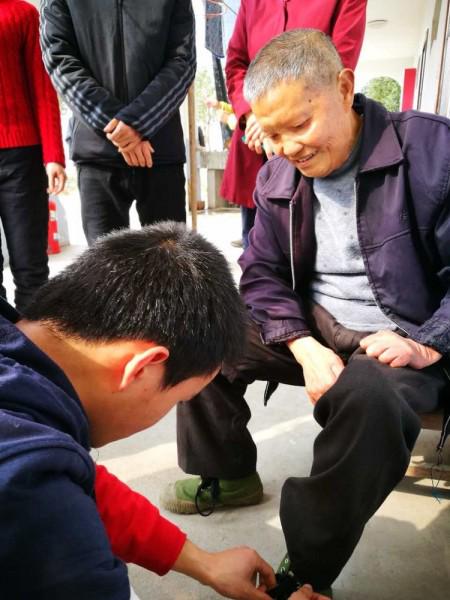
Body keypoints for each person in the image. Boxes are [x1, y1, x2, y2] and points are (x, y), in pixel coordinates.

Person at [162, 29, 450, 593]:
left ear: (344, 88)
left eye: (300, 125)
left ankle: (309, 569)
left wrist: (428, 341)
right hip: (317, 324)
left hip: (410, 332)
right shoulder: (276, 175)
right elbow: (262, 274)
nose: (289, 147)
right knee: (203, 331)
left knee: (369, 396)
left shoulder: (433, 153)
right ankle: (229, 473)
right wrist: (301, 342)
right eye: (271, 134)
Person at [0, 221, 285, 599]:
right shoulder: (25, 487)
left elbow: (76, 480)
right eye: (180, 398)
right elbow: (45, 492)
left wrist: (204, 563)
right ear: (142, 369)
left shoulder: (33, 446)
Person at [40, 0, 195, 245]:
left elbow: (182, 60)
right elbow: (59, 59)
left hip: (159, 151)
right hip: (97, 155)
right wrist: (119, 127)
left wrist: (138, 123)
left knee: (171, 268)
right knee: (104, 275)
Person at [221, 0, 367, 248]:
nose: (286, 148)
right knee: (257, 246)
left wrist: (292, 121)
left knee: (318, 243)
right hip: (256, 140)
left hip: (318, 149)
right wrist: (254, 115)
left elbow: (335, 65)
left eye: (299, 123)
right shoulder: (252, 3)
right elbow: (236, 64)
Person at [0, 0, 66, 311]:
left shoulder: (24, 14)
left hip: (21, 160)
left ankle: (33, 354)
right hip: (20, 156)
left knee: (31, 269)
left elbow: (42, 86)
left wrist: (53, 155)